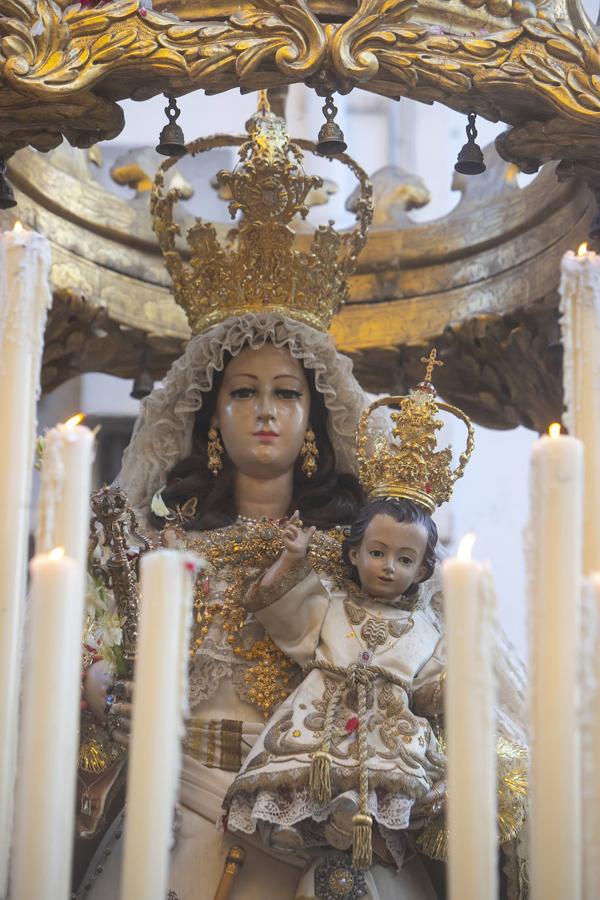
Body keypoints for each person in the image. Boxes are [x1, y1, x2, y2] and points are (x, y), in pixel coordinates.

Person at [75, 98, 528, 900]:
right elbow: (100, 680)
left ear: (314, 417)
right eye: (243, 392)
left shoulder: (363, 554)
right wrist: (106, 700)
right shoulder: (159, 549)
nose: (265, 411)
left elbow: (423, 672)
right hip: (177, 818)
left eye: (287, 393)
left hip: (319, 817)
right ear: (210, 415)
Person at [224, 497, 447, 875]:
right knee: (298, 754)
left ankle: (359, 825)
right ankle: (289, 820)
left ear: (423, 571)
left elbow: (431, 687)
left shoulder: (426, 629)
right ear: (355, 553)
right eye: (377, 552)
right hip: (322, 707)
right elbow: (285, 611)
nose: (389, 567)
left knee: (394, 767)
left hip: (386, 721)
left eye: (405, 560)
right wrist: (292, 560)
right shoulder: (332, 605)